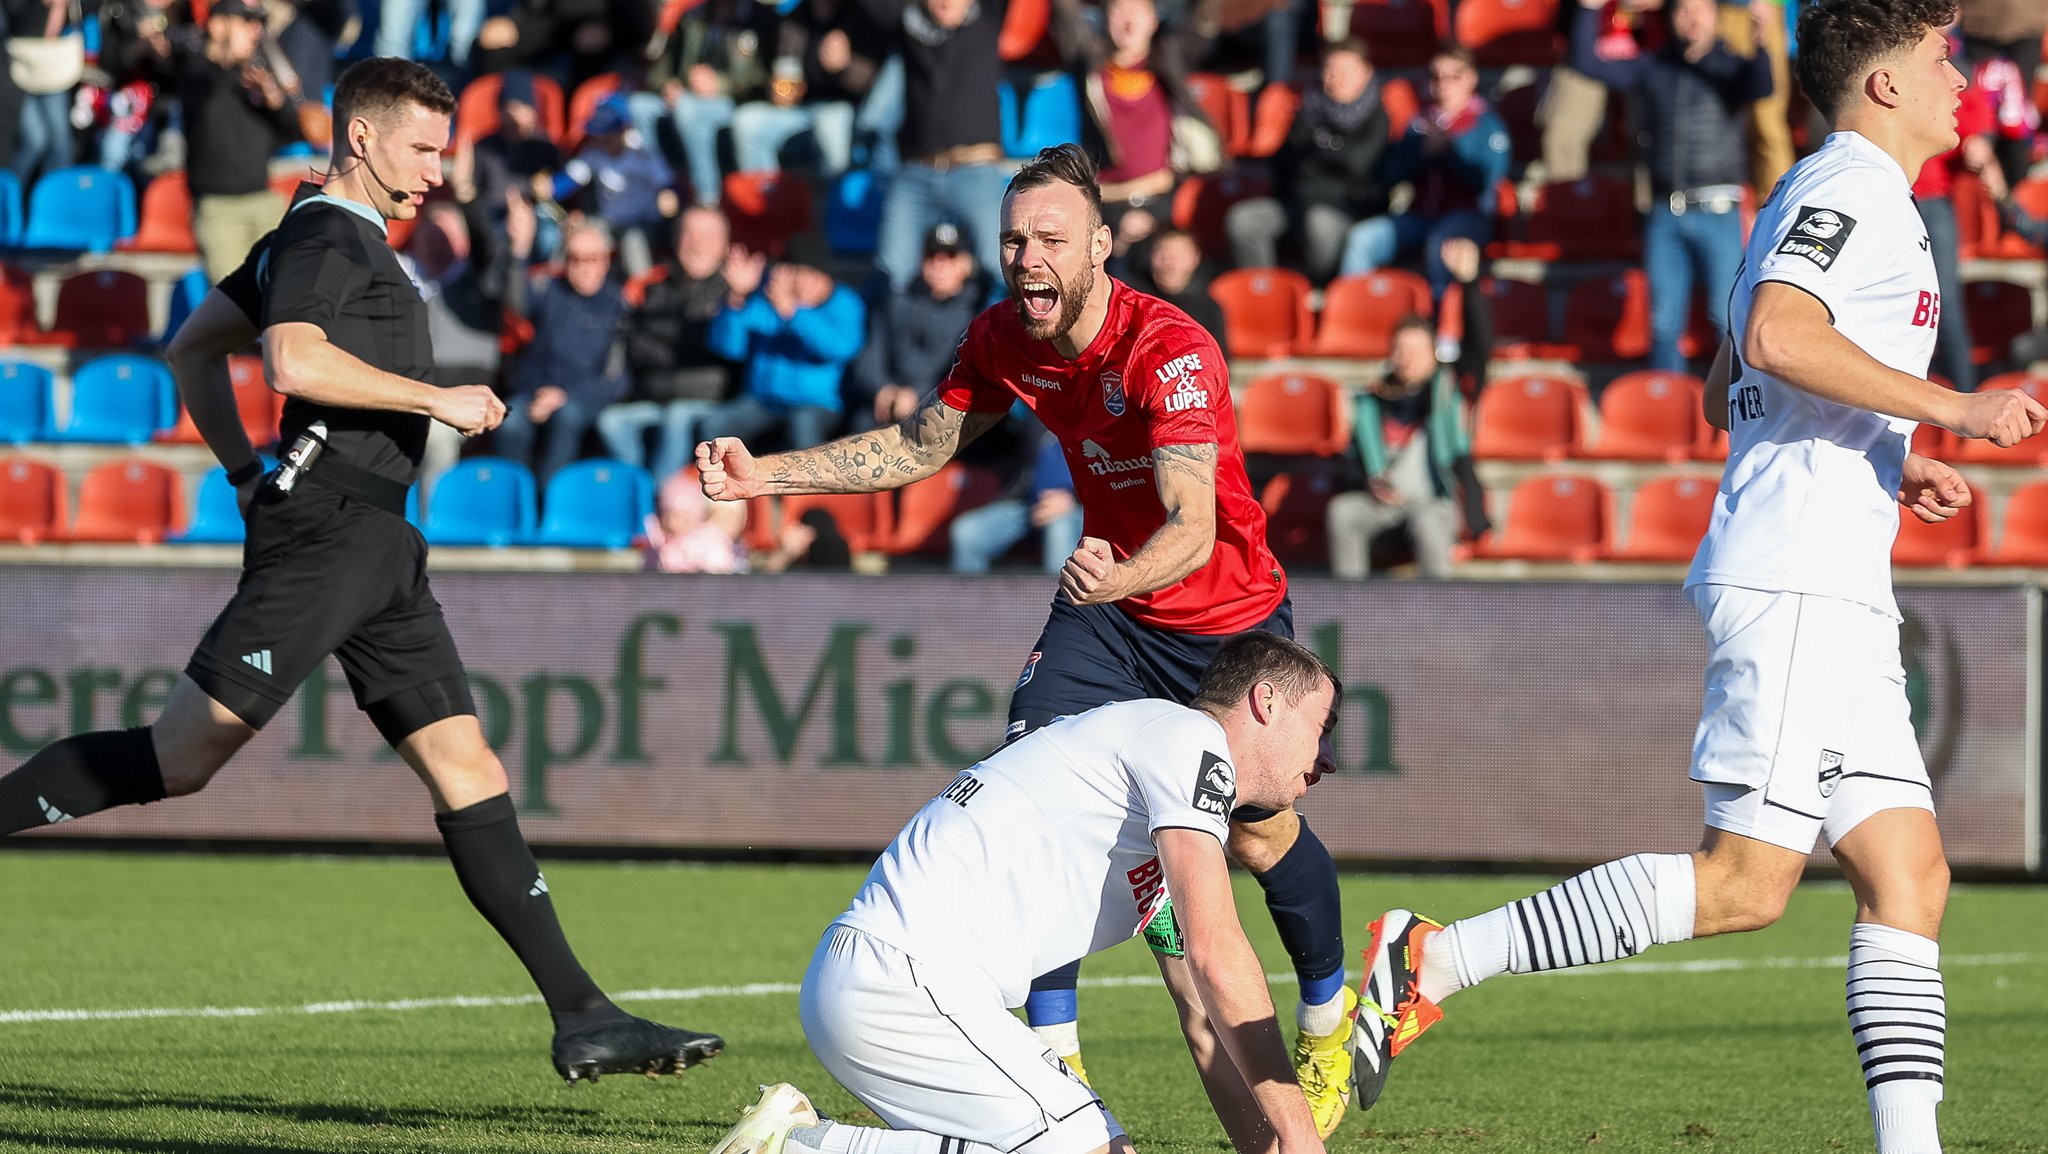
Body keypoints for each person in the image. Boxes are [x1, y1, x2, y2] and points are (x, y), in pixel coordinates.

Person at [1351, 9, 2048, 1154]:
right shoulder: (1854, 190)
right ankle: (1432, 954)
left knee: (1908, 875)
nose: (1960, 76)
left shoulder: (1836, 191)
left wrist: (1889, 449)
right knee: (1741, 883)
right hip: (1796, 580)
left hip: (1836, 583)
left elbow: (1733, 367)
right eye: (1938, 55)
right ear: (1879, 82)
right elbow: (1773, 335)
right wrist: (1952, 408)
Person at [0, 58, 724, 1086]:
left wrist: (248, 472)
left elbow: (194, 350)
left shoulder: (333, 239)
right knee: (178, 758)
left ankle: (584, 1015)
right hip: (332, 529)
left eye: (443, 147)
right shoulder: (324, 233)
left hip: (378, 540)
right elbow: (289, 360)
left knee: (469, 767)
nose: (438, 169)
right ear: (361, 139)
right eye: (423, 148)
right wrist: (435, 399)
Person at [698, 144, 1356, 1138]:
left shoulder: (1167, 349)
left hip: (1218, 614)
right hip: (1113, 608)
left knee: (1254, 833)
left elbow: (1191, 524)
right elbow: (921, 444)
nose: (1024, 257)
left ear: (1100, 244)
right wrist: (767, 477)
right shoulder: (1005, 335)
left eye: (1048, 238)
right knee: (1031, 778)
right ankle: (1050, 1042)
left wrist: (1121, 573)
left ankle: (1326, 1018)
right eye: (1013, 240)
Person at [707, 632, 1340, 1154]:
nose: (1326, 760)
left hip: (881, 980)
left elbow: (1203, 1010)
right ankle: (797, 1147)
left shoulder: (1156, 802)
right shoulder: (1190, 739)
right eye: (1323, 725)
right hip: (908, 981)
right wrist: (1299, 1130)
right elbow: (1217, 951)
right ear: (1265, 701)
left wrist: (1268, 1144)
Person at [1567, 0, 1774, 372]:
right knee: (1663, 323)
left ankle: (1734, 417)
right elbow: (1587, 63)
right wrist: (1587, 9)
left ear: (1716, 17)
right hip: (1667, 211)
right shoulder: (1655, 66)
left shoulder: (1729, 67)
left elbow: (1762, 86)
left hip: (1719, 211)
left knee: (1726, 320)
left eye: (1701, 10)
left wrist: (1761, 38)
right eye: (1684, 11)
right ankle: (1670, 410)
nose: (1692, 20)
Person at [1324, 238, 1487, 581]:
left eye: (1417, 350)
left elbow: (1479, 348)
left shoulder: (1447, 389)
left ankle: (1437, 615)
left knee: (1430, 522)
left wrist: (1469, 284)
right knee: (1342, 512)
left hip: (1435, 501)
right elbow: (1349, 464)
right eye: (1401, 350)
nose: (1408, 358)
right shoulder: (1370, 401)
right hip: (1384, 506)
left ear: (1434, 355)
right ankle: (1347, 615)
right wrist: (1369, 485)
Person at [1337, 47, 1510, 298]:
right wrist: (1421, 153)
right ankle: (1353, 312)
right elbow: (1391, 174)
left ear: (1471, 78)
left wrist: (1448, 152)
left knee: (1442, 243)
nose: (1443, 84)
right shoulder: (1419, 123)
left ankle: (1442, 329)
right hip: (1420, 216)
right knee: (1362, 238)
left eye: (1454, 76)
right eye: (1436, 76)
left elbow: (1485, 182)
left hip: (1468, 217)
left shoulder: (1486, 125)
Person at [1224, 39, 1389, 286]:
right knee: (1243, 220)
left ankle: (1318, 287)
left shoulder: (1376, 117)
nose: (1337, 78)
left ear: (1366, 73)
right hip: (1295, 203)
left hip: (1345, 210)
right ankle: (1266, 291)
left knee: (1318, 222)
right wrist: (1329, 151)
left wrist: (1321, 147)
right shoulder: (1309, 109)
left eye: (1346, 71)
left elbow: (1358, 164)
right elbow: (1286, 159)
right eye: (1331, 70)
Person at [600, 206, 737, 484]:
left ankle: (659, 500)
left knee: (677, 418)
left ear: (725, 246)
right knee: (611, 421)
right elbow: (636, 347)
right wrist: (682, 343)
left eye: (708, 237)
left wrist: (670, 343)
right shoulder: (654, 287)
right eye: (689, 234)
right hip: (653, 398)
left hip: (707, 401)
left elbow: (725, 353)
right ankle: (639, 490)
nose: (697, 244)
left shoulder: (734, 294)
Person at [701, 232, 866, 452]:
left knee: (802, 427)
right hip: (763, 402)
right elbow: (729, 347)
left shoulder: (845, 303)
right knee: (715, 427)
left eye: (811, 274)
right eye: (797, 272)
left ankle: (812, 487)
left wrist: (792, 313)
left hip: (818, 404)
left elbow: (840, 347)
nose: (803, 282)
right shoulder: (768, 298)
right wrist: (737, 298)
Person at [496, 222, 633, 487]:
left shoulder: (617, 305)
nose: (583, 267)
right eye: (575, 259)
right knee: (510, 423)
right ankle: (514, 502)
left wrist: (564, 395)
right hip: (536, 392)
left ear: (606, 260)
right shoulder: (549, 290)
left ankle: (551, 503)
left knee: (566, 417)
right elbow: (515, 301)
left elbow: (617, 379)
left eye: (592, 259)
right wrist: (519, 252)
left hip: (585, 397)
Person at [176, 0, 301, 283]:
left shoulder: (254, 78)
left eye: (257, 24)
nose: (255, 32)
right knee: (235, 308)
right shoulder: (195, 72)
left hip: (263, 200)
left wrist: (275, 100)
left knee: (284, 296)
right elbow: (204, 87)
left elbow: (295, 131)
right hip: (219, 211)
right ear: (218, 26)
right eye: (245, 23)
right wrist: (225, 52)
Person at [850, 221, 986, 430]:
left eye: (950, 257)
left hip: (944, 414)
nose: (939, 265)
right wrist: (882, 390)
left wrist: (918, 395)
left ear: (966, 264)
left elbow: (965, 376)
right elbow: (870, 357)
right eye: (932, 256)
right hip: (885, 408)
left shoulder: (977, 315)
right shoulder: (896, 303)